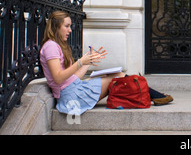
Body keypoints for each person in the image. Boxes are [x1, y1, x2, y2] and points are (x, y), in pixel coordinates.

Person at [39, 10, 173, 115]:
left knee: (117, 74)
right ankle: (155, 96)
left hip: (74, 90)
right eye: (66, 26)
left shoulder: (56, 45)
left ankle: (153, 96)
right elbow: (57, 78)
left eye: (70, 26)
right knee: (117, 76)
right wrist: (80, 62)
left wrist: (88, 62)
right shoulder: (51, 46)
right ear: (56, 27)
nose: (70, 30)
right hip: (72, 97)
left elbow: (72, 78)